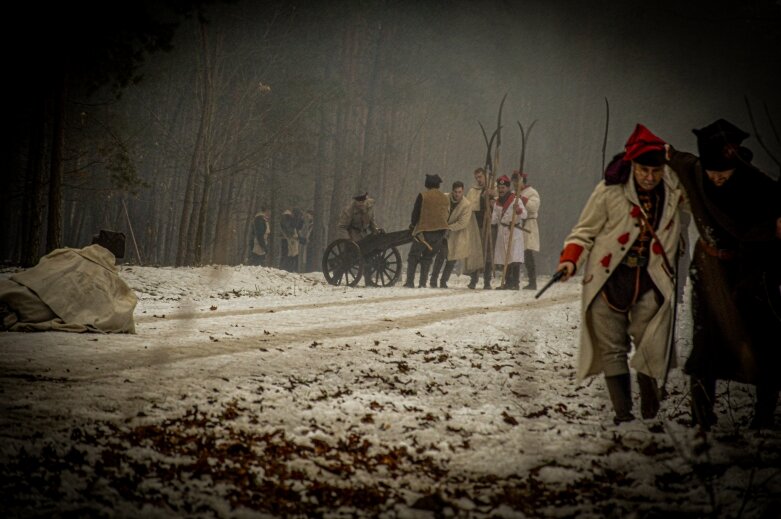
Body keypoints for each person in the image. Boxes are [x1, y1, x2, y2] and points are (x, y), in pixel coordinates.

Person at [555, 124, 686, 425]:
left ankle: (651, 413)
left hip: (651, 281)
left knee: (651, 345)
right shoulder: (608, 191)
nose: (650, 177)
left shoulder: (675, 187)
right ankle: (623, 414)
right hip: (608, 280)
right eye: (643, 170)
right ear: (632, 165)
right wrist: (570, 261)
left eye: (655, 171)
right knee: (612, 347)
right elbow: (584, 232)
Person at [666, 118, 781, 430]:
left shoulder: (760, 186)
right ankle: (701, 416)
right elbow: (666, 152)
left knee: (765, 344)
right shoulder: (694, 171)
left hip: (752, 272)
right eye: (712, 171)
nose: (716, 177)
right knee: (705, 344)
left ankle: (764, 417)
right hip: (709, 271)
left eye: (723, 172)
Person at [429, 181, 483, 288]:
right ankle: (433, 280)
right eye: (455, 192)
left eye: (459, 192)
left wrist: (449, 228)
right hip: (442, 232)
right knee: (441, 256)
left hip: (456, 234)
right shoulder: (444, 198)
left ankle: (443, 281)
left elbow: (463, 223)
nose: (457, 194)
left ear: (463, 191)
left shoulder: (466, 204)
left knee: (452, 259)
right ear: (452, 191)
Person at [404, 174, 449, 288]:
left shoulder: (423, 196)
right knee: (428, 258)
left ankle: (410, 282)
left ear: (427, 184)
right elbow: (446, 214)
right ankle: (422, 283)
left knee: (413, 256)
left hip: (423, 233)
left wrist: (413, 225)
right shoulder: (445, 197)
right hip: (439, 233)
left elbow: (416, 213)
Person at [492, 175, 527, 290]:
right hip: (503, 230)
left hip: (514, 230)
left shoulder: (515, 199)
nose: (501, 190)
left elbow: (524, 215)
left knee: (514, 258)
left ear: (507, 188)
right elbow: (494, 219)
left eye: (503, 188)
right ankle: (507, 282)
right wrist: (490, 206)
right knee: (504, 258)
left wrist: (519, 210)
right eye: (499, 188)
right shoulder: (497, 202)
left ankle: (515, 283)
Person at [465, 167, 496, 289]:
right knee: (476, 252)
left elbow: (500, 203)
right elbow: (468, 205)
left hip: (489, 225)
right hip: (477, 224)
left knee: (488, 252)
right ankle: (474, 279)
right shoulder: (473, 191)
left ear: (485, 176)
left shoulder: (494, 187)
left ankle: (487, 281)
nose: (478, 180)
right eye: (476, 177)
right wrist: (481, 198)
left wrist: (492, 196)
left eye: (480, 177)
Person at [513, 171, 542, 290]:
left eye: (516, 181)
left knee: (527, 253)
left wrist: (522, 199)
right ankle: (515, 281)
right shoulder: (515, 193)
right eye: (514, 182)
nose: (514, 184)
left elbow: (533, 207)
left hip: (528, 224)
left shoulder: (532, 192)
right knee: (516, 254)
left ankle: (532, 281)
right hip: (518, 224)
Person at [279, 208, 299, 272]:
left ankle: (285, 267)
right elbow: (291, 229)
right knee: (292, 254)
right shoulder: (290, 220)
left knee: (287, 253)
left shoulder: (283, 221)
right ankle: (289, 268)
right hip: (290, 238)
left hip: (286, 238)